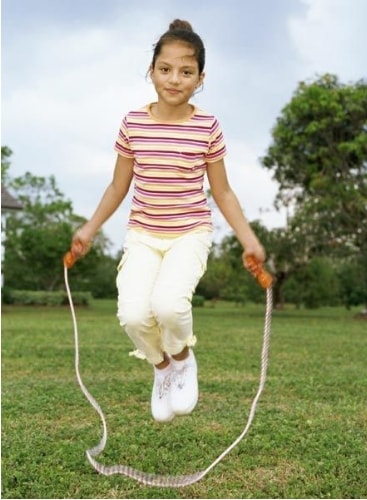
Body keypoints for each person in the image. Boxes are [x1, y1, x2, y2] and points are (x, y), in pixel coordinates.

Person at [69, 19, 266, 423]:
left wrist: (248, 239)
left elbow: (223, 192)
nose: (174, 79)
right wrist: (88, 229)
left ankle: (182, 358)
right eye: (165, 69)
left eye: (186, 71)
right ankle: (162, 369)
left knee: (169, 307)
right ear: (151, 71)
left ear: (200, 78)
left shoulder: (207, 127)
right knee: (134, 315)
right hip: (142, 234)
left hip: (189, 233)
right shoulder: (133, 123)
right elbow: (117, 187)